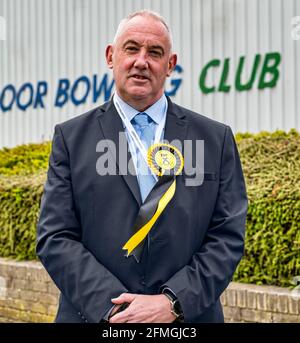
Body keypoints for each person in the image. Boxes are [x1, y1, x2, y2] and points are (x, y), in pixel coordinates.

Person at [36, 9, 248, 323]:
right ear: (111, 56)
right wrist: (115, 310)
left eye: (155, 52)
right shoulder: (70, 138)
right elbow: (55, 236)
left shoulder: (215, 140)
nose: (141, 61)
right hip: (97, 317)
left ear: (170, 65)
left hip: (186, 319)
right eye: (132, 48)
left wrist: (173, 301)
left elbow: (227, 236)